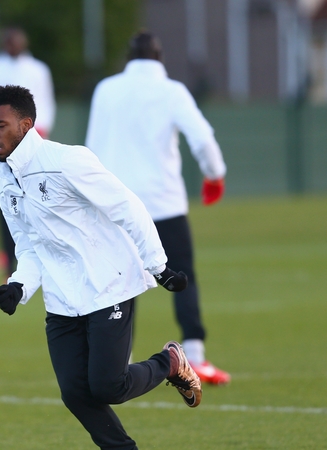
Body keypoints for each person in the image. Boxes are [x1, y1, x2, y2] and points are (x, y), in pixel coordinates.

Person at [0, 85, 202, 450]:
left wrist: (159, 266)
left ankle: (171, 361)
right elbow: (30, 246)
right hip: (62, 299)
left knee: (108, 387)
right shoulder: (5, 185)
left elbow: (127, 207)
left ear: (26, 124)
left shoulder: (67, 161)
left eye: (0, 125)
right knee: (75, 392)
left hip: (108, 286)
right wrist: (19, 285)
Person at [85, 32, 230, 385]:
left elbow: (90, 145)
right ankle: (194, 356)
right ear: (160, 56)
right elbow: (202, 138)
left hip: (115, 204)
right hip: (163, 203)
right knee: (183, 277)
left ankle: (118, 359)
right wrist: (215, 175)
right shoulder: (172, 91)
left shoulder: (106, 89)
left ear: (128, 57)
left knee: (115, 283)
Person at [0, 27, 56, 278]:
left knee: (39, 206)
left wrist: (40, 134)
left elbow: (46, 105)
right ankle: (9, 266)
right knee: (7, 208)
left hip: (31, 150)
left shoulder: (38, 70)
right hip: (1, 152)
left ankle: (44, 261)